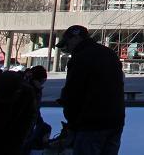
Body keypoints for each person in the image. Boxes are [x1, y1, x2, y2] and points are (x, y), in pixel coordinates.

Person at [57, 25, 125, 155]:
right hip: (115, 120)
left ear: (76, 38)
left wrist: (72, 121)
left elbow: (74, 92)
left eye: (67, 43)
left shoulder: (80, 57)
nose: (68, 48)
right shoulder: (109, 53)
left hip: (90, 123)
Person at [22, 65, 52, 152]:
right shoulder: (29, 90)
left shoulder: (35, 89)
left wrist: (39, 121)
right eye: (43, 80)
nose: (44, 83)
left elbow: (35, 109)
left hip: (29, 123)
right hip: (24, 125)